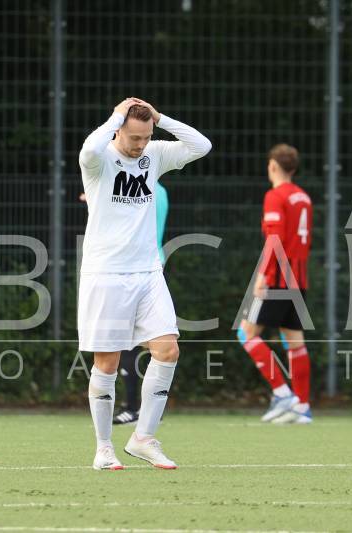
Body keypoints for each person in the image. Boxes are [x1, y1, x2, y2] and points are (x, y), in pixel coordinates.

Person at [78, 97, 211, 470]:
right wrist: (116, 116)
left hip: (148, 272)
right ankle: (104, 448)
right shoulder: (99, 159)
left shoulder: (155, 153)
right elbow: (89, 149)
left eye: (146, 137)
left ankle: (143, 438)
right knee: (107, 362)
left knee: (168, 350)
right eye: (134, 137)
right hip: (106, 274)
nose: (140, 145)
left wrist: (160, 118)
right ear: (118, 130)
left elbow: (202, 146)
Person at [236, 144, 313, 424]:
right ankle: (302, 407)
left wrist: (264, 275)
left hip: (278, 279)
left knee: (246, 333)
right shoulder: (303, 197)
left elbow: (275, 240)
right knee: (295, 342)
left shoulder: (275, 196)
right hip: (299, 279)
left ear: (272, 166)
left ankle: (282, 393)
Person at [113, 181, 169, 426]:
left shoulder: (134, 189)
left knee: (130, 340)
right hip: (152, 265)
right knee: (149, 340)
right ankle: (147, 407)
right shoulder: (160, 189)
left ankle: (134, 408)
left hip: (136, 268)